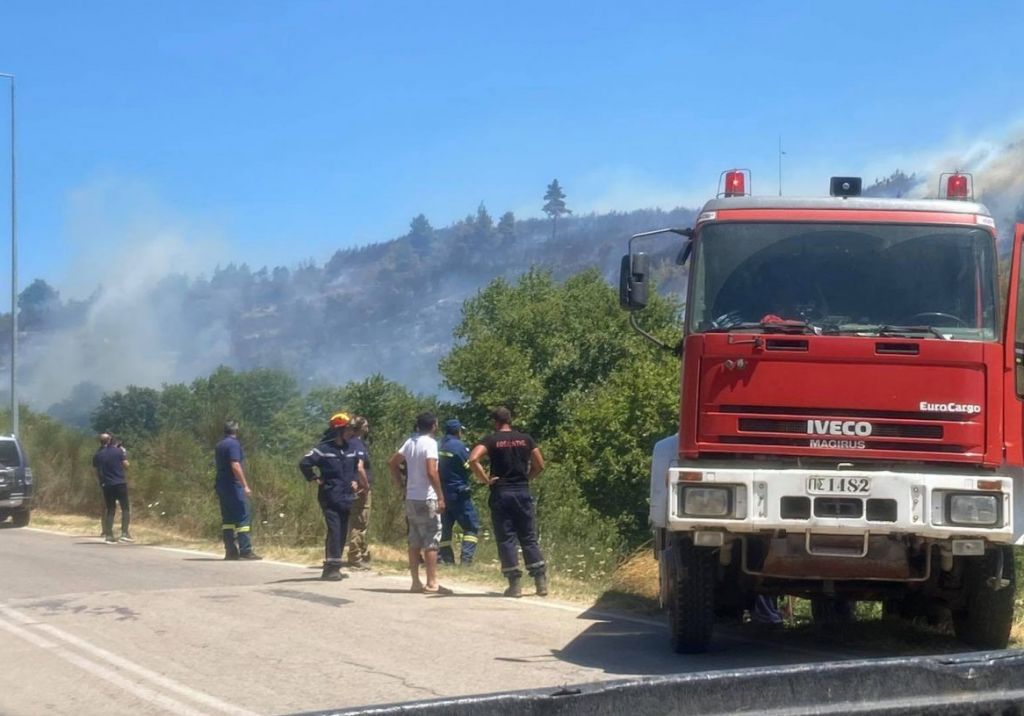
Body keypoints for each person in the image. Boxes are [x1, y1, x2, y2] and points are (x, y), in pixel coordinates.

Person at [468, 406, 547, 598]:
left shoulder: (492, 439)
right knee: (528, 536)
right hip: (522, 491)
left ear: (495, 422)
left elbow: (473, 459)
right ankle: (540, 582)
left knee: (506, 538)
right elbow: (540, 464)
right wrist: (527, 477)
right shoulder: (526, 439)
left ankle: (515, 585)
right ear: (510, 420)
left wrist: (486, 480)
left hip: (501, 492)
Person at [300, 412, 368, 581]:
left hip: (346, 496)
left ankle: (335, 565)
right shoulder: (323, 449)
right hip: (329, 495)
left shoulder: (350, 448)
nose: (350, 432)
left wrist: (354, 480)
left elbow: (354, 467)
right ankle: (331, 568)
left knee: (343, 531)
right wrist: (315, 478)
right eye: (347, 429)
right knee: (335, 529)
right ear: (338, 430)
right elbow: (304, 463)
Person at [388, 412, 450, 594]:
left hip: (411, 497)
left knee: (414, 539)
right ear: (433, 426)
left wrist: (401, 485)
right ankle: (432, 582)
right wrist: (440, 495)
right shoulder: (430, 443)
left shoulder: (410, 442)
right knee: (431, 539)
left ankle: (415, 582)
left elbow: (392, 463)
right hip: (427, 496)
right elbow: (432, 471)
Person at [214, 421, 262, 561]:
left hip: (222, 485)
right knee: (243, 516)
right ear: (236, 430)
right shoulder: (233, 444)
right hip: (233, 486)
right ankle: (245, 550)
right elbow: (235, 464)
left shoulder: (219, 445)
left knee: (228, 519)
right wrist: (245, 485)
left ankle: (230, 551)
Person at [437, 419, 479, 566]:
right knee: (471, 527)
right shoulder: (459, 446)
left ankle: (446, 560)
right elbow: (469, 465)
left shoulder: (438, 445)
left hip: (441, 493)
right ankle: (466, 560)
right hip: (459, 493)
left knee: (445, 528)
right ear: (458, 431)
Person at [92, 432, 132, 544]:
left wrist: (102, 481)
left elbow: (95, 471)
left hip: (106, 484)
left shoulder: (97, 455)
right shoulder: (118, 451)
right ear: (110, 440)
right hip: (119, 482)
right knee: (125, 508)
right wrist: (124, 454)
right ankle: (124, 533)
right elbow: (126, 465)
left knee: (110, 509)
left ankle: (108, 534)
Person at [345, 416, 373, 570]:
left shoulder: (348, 443)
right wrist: (366, 485)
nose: (368, 428)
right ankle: (355, 557)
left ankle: (361, 553)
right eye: (366, 425)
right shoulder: (358, 444)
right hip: (361, 489)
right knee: (360, 522)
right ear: (360, 428)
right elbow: (360, 467)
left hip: (351, 487)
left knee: (356, 520)